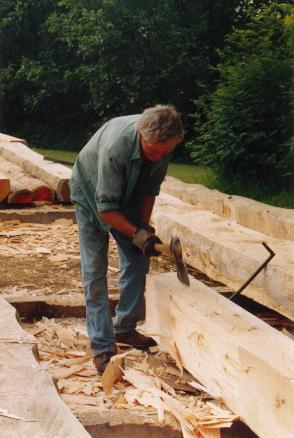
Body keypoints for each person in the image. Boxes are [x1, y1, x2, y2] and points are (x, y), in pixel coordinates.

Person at [69, 104, 184, 374]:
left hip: (127, 193)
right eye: (153, 151)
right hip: (90, 194)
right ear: (141, 134)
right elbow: (106, 209)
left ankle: (125, 328)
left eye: (164, 152)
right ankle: (101, 345)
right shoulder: (116, 148)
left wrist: (143, 229)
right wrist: (135, 233)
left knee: (137, 260)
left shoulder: (162, 147)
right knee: (95, 271)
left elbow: (149, 190)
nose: (158, 157)